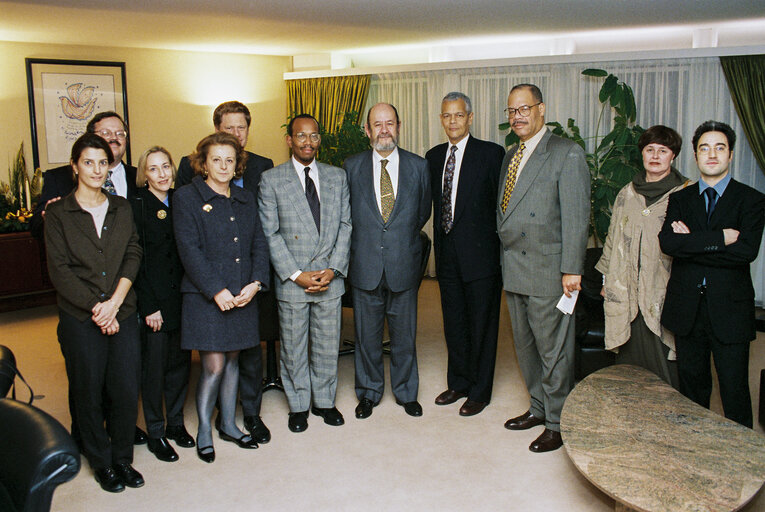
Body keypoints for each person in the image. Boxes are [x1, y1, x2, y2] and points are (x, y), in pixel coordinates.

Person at [30, 111, 147, 446]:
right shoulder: (58, 207)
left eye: (102, 163)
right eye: (89, 162)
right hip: (82, 312)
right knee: (87, 387)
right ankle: (93, 448)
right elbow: (60, 268)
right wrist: (99, 309)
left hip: (122, 306)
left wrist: (115, 304)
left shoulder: (124, 202)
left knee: (125, 387)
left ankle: (122, 452)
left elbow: (133, 252)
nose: (97, 169)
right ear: (75, 165)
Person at [497, 84, 590, 452]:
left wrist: (572, 269)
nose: (517, 116)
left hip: (550, 271)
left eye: (524, 109)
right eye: (511, 111)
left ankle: (558, 420)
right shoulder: (510, 155)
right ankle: (538, 408)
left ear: (542, 109)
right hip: (515, 268)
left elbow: (576, 217)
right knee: (526, 348)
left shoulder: (566, 153)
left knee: (554, 352)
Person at [176, 100, 274, 443]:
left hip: (243, 294)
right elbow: (189, 251)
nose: (223, 166)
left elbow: (259, 245)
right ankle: (205, 428)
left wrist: (256, 283)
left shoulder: (246, 200)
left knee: (233, 362)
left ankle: (229, 426)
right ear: (203, 163)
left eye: (229, 160)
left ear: (238, 164)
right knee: (213, 366)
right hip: (208, 296)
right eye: (216, 159)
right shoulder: (187, 198)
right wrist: (217, 290)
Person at [659, 120, 765, 428]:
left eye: (720, 148)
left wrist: (690, 241)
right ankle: (695, 453)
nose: (712, 154)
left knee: (734, 391)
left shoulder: (752, 200)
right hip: (687, 308)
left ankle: (742, 461)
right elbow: (668, 243)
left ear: (730, 155)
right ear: (695, 155)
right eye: (704, 148)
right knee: (692, 389)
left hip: (730, 309)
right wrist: (719, 238)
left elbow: (745, 252)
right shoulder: (680, 198)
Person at [258, 114, 352, 433]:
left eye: (313, 136)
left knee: (327, 344)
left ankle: (324, 401)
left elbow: (345, 225)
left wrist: (332, 269)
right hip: (293, 280)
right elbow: (270, 233)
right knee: (294, 346)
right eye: (301, 136)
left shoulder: (337, 177)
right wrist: (296, 274)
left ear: (319, 140)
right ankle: (298, 405)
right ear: (290, 140)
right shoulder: (272, 180)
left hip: (329, 275)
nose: (308, 142)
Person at [345, 103, 431, 419]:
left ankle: (407, 393)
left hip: (403, 264)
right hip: (365, 265)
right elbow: (347, 217)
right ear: (368, 130)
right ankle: (368, 393)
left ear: (399, 126)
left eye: (390, 123)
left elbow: (422, 213)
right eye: (377, 124)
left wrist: (397, 239)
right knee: (366, 338)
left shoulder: (418, 166)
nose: (384, 129)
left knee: (404, 337)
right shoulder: (351, 167)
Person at [425, 92, 504, 416]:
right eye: (447, 116)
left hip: (482, 257)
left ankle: (480, 391)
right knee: (454, 323)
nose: (452, 121)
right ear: (441, 119)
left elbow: (503, 207)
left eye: (458, 115)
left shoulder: (491, 154)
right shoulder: (432, 156)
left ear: (470, 117)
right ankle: (458, 382)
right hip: (446, 257)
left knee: (482, 326)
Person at [596, 125, 688, 387]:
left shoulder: (684, 193)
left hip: (663, 291)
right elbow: (613, 239)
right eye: (650, 150)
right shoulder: (627, 192)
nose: (655, 156)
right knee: (628, 364)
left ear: (673, 156)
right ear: (642, 154)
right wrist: (606, 283)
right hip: (625, 289)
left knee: (665, 364)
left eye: (663, 150)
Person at [129, 147, 194, 463]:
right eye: (153, 169)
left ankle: (176, 424)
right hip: (153, 303)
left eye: (166, 166)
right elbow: (135, 262)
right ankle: (155, 431)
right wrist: (148, 306)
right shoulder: (136, 206)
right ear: (144, 174)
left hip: (182, 298)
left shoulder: (183, 200)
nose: (162, 173)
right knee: (154, 370)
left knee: (180, 367)